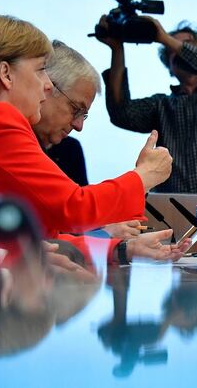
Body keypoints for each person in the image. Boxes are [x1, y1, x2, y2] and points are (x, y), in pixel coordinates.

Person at [0, 14, 185, 263]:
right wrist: (144, 175)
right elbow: (73, 208)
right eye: (41, 70)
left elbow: (43, 237)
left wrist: (119, 249)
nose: (47, 85)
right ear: (5, 73)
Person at [100, 17, 197, 194]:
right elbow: (122, 113)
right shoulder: (162, 105)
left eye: (188, 45)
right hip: (178, 213)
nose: (180, 51)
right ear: (170, 67)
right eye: (173, 50)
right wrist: (117, 49)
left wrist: (164, 39)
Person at [34, 40, 148, 240]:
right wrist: (146, 175)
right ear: (45, 87)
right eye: (75, 109)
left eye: (83, 115)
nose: (79, 126)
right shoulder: (1, 130)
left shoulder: (68, 148)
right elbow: (74, 211)